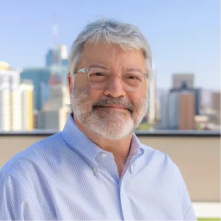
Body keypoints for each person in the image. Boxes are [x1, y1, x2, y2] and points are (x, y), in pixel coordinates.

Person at [0, 19, 197, 221]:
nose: (115, 91)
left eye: (131, 77)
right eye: (98, 74)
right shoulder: (20, 183)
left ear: (146, 87)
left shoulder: (165, 171)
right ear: (71, 84)